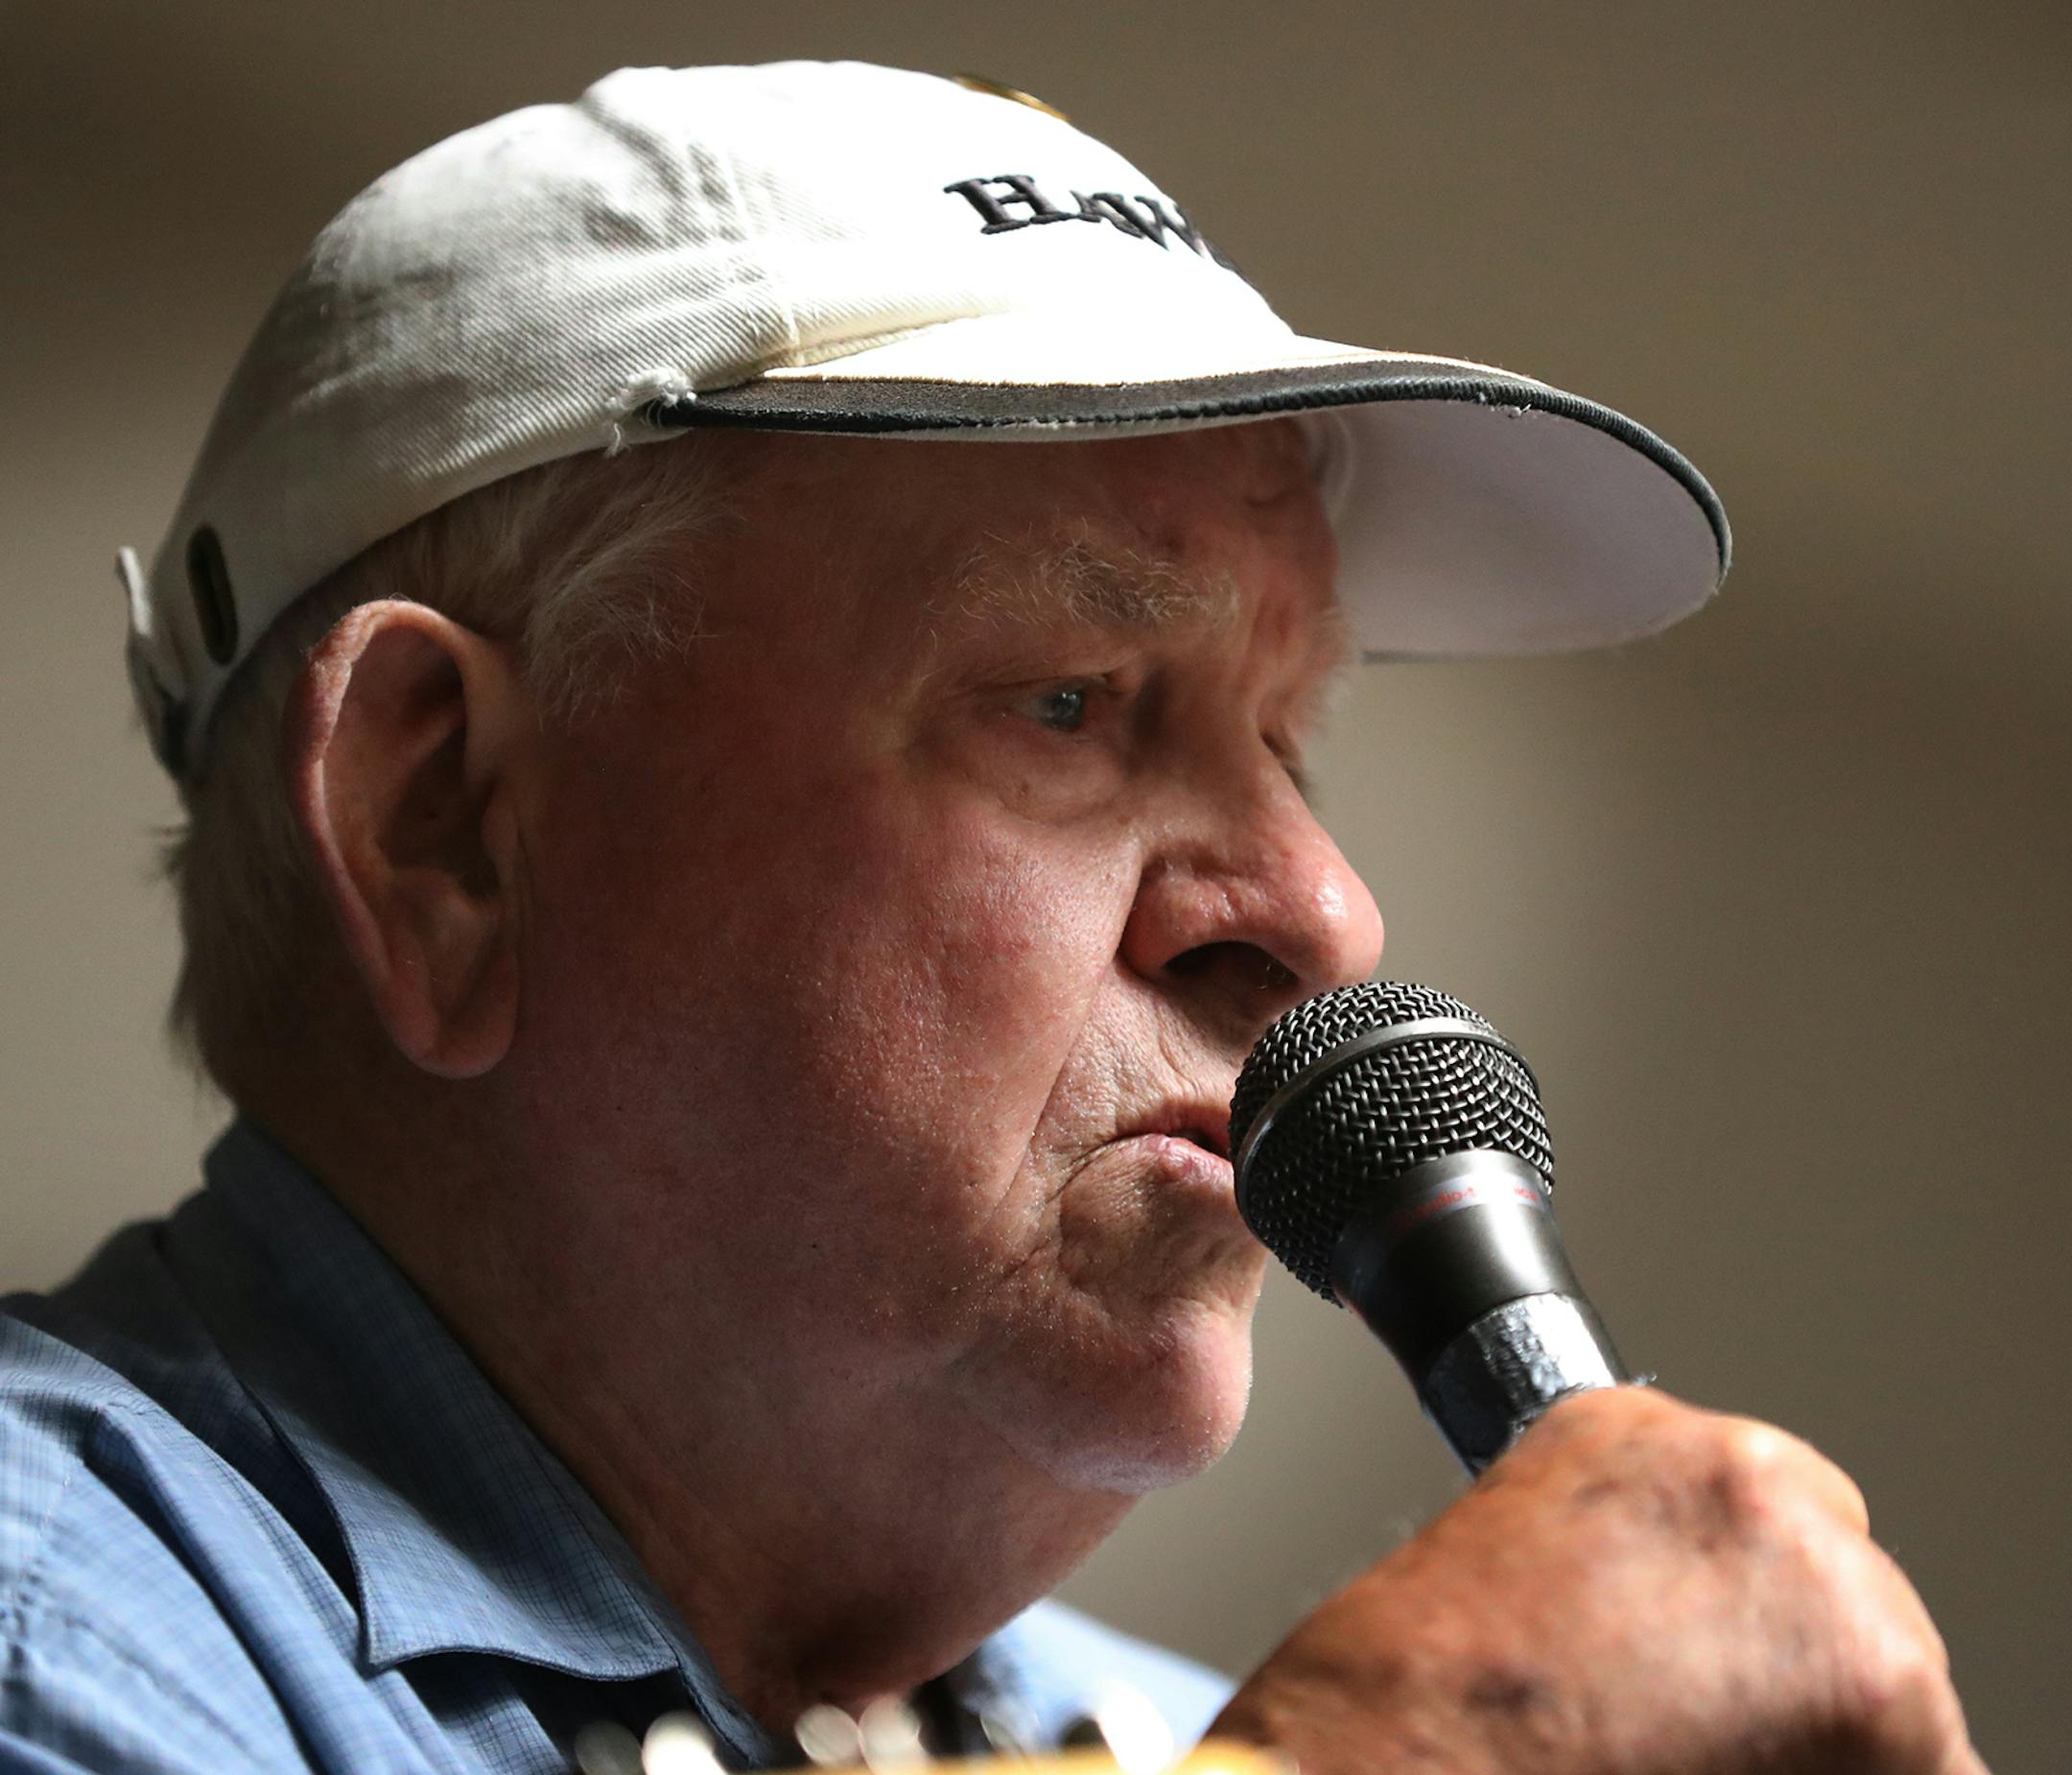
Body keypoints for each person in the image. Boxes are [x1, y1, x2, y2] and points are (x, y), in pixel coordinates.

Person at [0, 60, 1983, 1775]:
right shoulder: (62, 1645)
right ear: (437, 819)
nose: (1324, 910)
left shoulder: (1168, 1730)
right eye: (1070, 703)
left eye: (1289, 738)